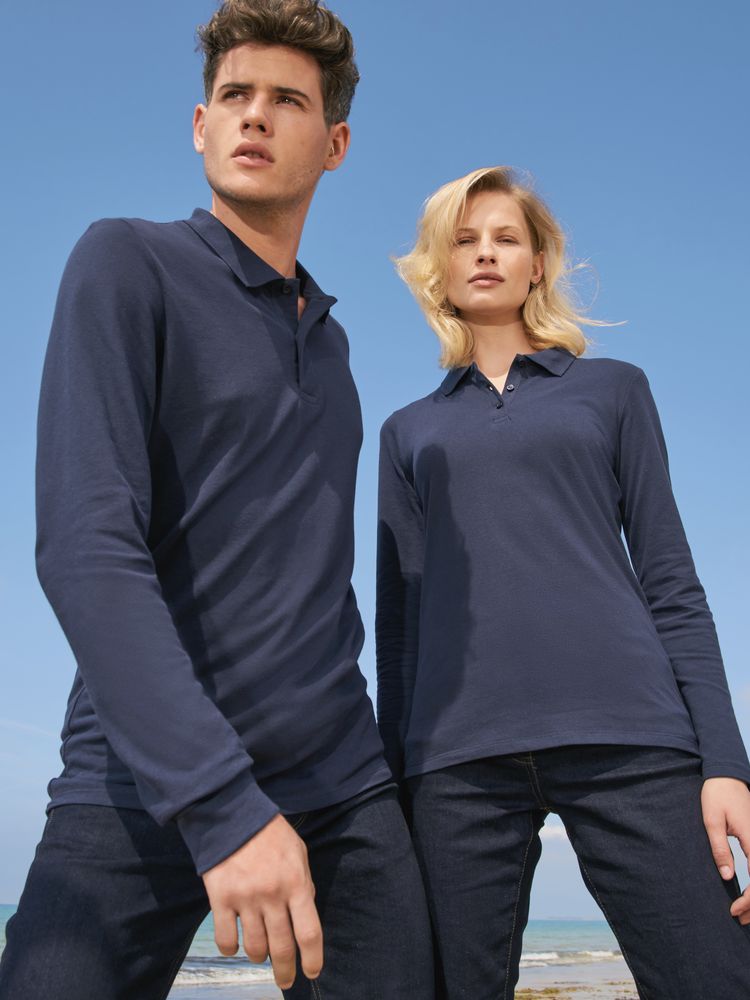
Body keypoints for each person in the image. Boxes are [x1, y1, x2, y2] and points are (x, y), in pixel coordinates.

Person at [0, 2, 433, 998]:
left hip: (339, 786)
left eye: (288, 100)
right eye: (235, 94)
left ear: (335, 145)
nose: (255, 115)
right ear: (201, 126)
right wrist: (221, 804)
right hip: (142, 772)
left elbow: (319, 580)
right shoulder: (125, 261)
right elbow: (84, 546)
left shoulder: (334, 348)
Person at [376, 164, 750, 999]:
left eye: (505, 238)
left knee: (716, 976)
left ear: (537, 263)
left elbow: (672, 581)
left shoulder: (615, 390)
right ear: (438, 267)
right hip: (457, 765)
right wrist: (395, 790)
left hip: (631, 739)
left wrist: (727, 763)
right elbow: (400, 626)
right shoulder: (406, 433)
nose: (485, 253)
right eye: (463, 240)